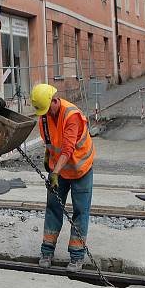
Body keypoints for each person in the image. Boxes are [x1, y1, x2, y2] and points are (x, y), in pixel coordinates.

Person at [30, 83, 95, 273]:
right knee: (53, 208)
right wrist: (48, 157)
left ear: (55, 100)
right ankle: (47, 252)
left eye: (48, 108)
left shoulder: (71, 115)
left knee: (80, 211)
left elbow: (67, 149)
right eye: (43, 111)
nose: (47, 113)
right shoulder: (44, 117)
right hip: (58, 169)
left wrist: (55, 173)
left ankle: (76, 256)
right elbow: (51, 142)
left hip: (80, 168)